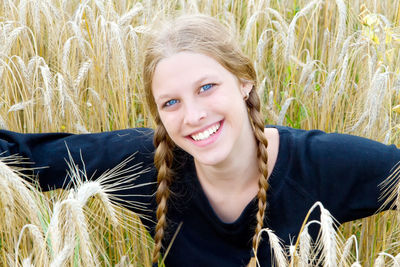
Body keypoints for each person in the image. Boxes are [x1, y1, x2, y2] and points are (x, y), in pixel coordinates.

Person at [1, 14, 400, 267]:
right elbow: (26, 159)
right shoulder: (146, 164)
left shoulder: (319, 164)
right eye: (171, 102)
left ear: (245, 82)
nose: (193, 116)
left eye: (206, 87)